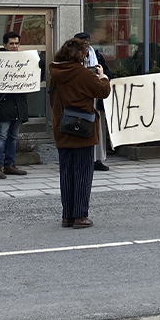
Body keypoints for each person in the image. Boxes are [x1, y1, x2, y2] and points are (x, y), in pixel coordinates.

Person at [48, 37, 112, 229]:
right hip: (83, 128)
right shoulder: (82, 73)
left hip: (62, 127)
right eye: (85, 54)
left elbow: (52, 99)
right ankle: (80, 216)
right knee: (83, 173)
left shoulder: (55, 72)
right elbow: (103, 91)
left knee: (66, 173)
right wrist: (103, 76)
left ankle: (67, 215)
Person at [0, 31, 36, 179]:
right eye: (11, 43)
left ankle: (10, 165)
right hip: (5, 102)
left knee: (13, 136)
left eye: (17, 43)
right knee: (2, 135)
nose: (14, 46)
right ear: (5, 45)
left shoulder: (24, 59)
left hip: (19, 103)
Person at [75, 32, 112, 171]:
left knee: (98, 129)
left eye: (87, 42)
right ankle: (83, 159)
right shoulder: (72, 58)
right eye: (83, 43)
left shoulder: (96, 56)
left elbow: (108, 74)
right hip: (80, 99)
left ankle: (97, 159)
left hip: (95, 98)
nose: (86, 45)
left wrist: (101, 74)